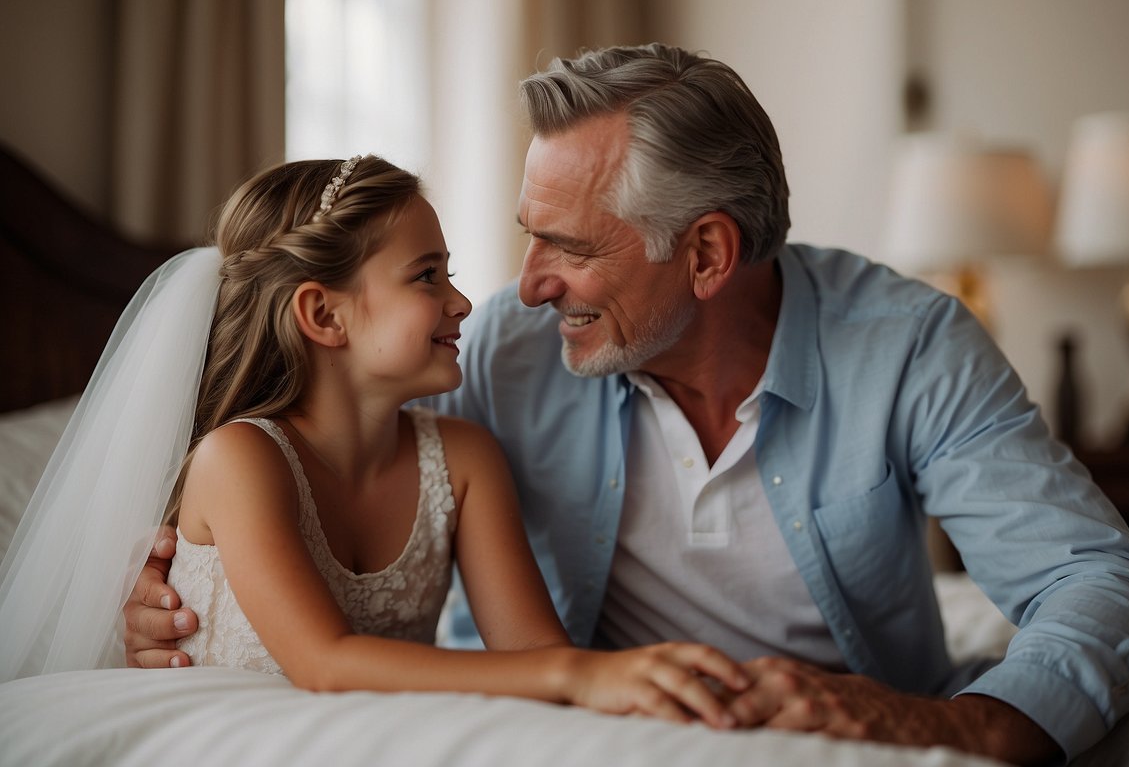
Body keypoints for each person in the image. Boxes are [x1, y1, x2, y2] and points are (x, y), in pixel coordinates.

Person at [124, 45, 1129, 764]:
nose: (523, 282)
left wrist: (969, 724)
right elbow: (311, 491)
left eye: (569, 245)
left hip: (864, 727)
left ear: (707, 252)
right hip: (614, 727)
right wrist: (170, 587)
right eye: (523, 236)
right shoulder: (502, 347)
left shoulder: (908, 345)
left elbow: (1102, 581)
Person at [0, 154, 753, 727]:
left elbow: (535, 655)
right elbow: (324, 663)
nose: (462, 301)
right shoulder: (242, 459)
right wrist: (581, 678)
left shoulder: (461, 458)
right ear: (323, 316)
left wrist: (619, 682)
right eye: (426, 277)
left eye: (449, 273)